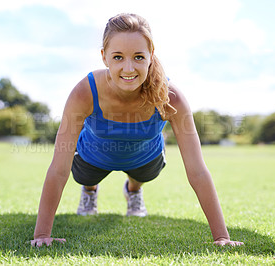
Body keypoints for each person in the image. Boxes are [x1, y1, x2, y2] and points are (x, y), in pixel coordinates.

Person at [30, 13, 244, 247]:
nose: (128, 68)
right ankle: (90, 191)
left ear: (151, 56)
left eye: (139, 57)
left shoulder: (171, 98)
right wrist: (42, 235)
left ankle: (133, 191)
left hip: (145, 157)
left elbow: (198, 172)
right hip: (91, 157)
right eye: (118, 57)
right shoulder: (84, 92)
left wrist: (222, 237)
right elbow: (59, 169)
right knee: (84, 176)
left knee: (143, 173)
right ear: (104, 57)